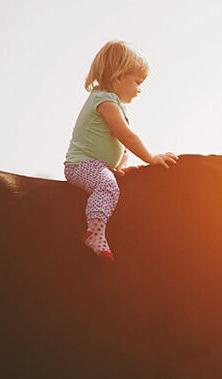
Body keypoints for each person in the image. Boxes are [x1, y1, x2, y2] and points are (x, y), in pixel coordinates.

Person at [64, 41, 177, 260]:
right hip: (81, 165)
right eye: (137, 82)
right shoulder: (104, 101)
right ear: (118, 77)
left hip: (98, 164)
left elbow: (114, 145)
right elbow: (125, 135)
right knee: (107, 185)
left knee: (114, 173)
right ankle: (95, 230)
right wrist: (151, 158)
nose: (139, 89)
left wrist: (118, 165)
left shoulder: (111, 101)